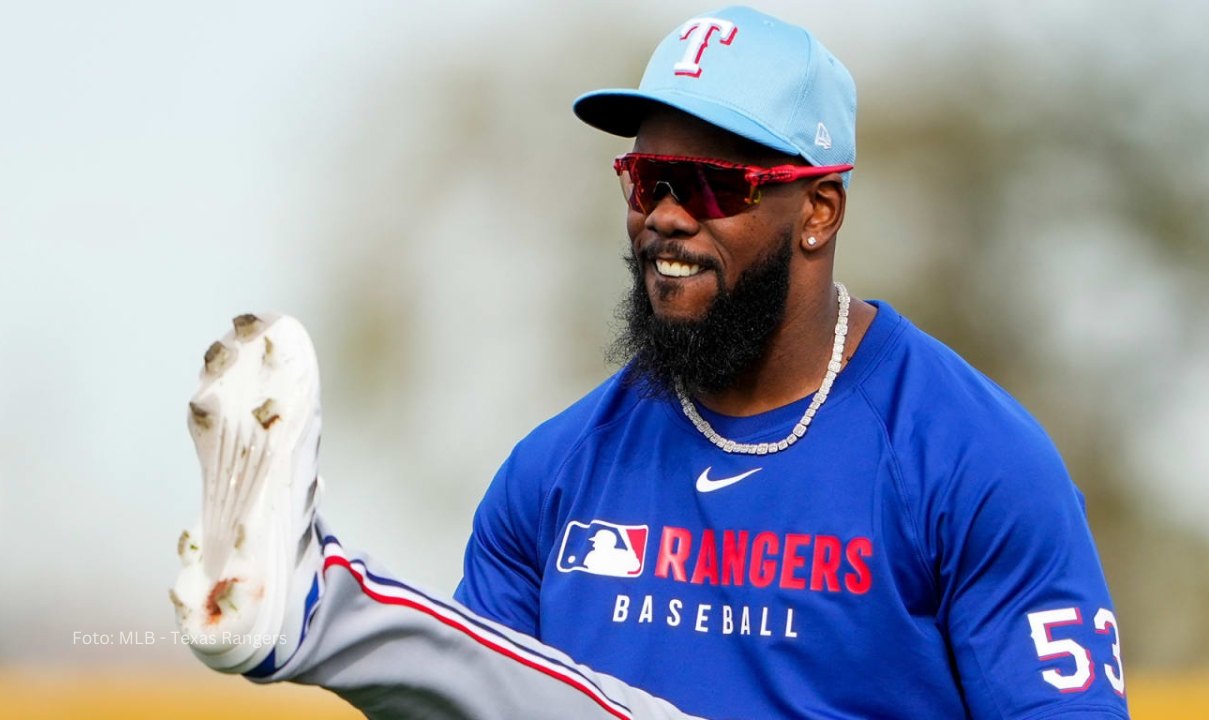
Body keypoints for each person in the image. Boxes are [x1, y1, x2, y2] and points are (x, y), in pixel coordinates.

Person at [171, 7, 1131, 719]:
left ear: (820, 214)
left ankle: (323, 603)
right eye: (647, 179)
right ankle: (308, 604)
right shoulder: (556, 471)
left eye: (712, 184)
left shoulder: (972, 461)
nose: (667, 214)